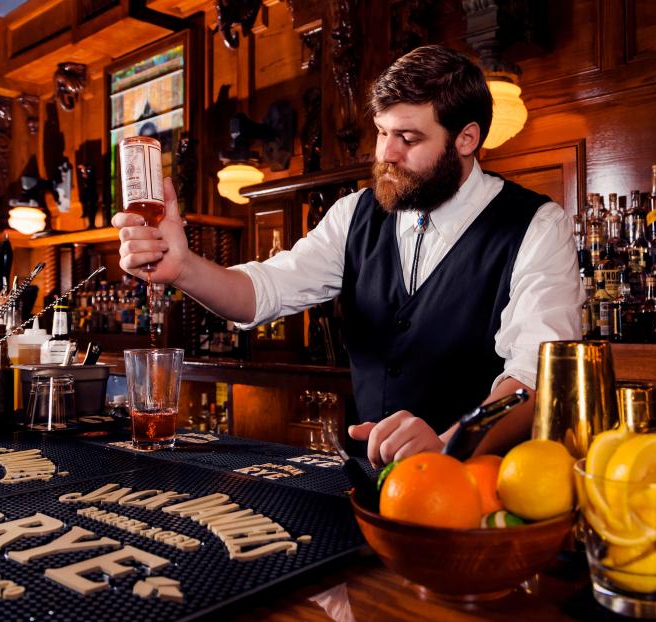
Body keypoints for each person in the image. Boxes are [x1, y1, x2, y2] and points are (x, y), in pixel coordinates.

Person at [112, 45, 584, 466]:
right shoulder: (355, 213)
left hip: (480, 489)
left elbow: (536, 374)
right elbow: (263, 292)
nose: (386, 154)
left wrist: (449, 445)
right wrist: (185, 268)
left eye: (409, 138)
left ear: (466, 139)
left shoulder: (536, 225)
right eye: (381, 132)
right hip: (370, 483)